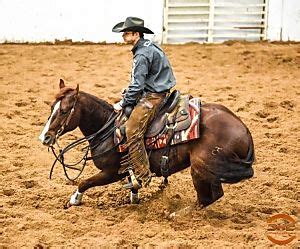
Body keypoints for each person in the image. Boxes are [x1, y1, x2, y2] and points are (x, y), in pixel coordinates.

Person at [112, 17, 176, 189]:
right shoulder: (149, 46)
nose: (123, 36)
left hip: (154, 95)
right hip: (158, 89)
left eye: (126, 33)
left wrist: (124, 101)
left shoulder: (141, 54)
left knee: (132, 129)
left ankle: (142, 175)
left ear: (135, 34)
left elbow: (138, 84)